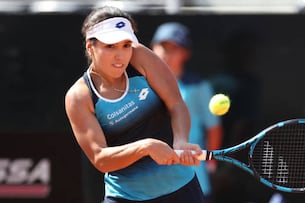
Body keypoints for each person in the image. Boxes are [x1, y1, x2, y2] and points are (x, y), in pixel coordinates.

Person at [64, 6, 206, 203]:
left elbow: (176, 103)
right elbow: (100, 158)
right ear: (90, 46)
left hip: (181, 190)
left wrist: (181, 140)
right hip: (126, 198)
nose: (120, 55)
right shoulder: (79, 97)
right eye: (110, 46)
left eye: (125, 45)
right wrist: (145, 147)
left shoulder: (140, 57)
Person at [150, 22, 223, 203]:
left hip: (194, 178)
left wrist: (211, 163)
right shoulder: (141, 87)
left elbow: (214, 128)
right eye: (163, 47)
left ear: (185, 53)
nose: (167, 54)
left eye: (174, 48)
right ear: (152, 48)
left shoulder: (199, 87)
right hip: (153, 183)